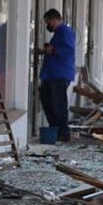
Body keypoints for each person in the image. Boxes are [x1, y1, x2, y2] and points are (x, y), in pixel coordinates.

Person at [38, 8, 76, 142]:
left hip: (59, 74)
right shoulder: (59, 33)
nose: (48, 26)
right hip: (52, 74)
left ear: (54, 20)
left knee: (58, 103)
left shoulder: (64, 31)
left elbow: (69, 50)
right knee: (47, 99)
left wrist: (53, 50)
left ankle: (63, 132)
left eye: (48, 22)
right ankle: (55, 129)